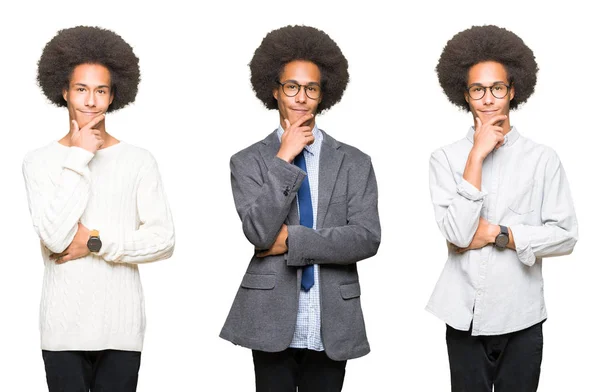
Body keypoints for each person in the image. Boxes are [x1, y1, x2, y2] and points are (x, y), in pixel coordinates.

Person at [220, 25, 380, 392]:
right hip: (269, 316)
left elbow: (366, 238)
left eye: (311, 88)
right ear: (275, 90)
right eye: (292, 86)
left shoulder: (355, 162)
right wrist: (284, 157)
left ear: (323, 95)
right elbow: (259, 234)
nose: (301, 97)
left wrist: (292, 239)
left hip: (332, 318)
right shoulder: (247, 162)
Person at [23, 26, 175, 392]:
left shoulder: (139, 160)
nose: (91, 101)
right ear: (64, 91)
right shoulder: (39, 161)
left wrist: (95, 242)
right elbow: (56, 239)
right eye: (81, 89)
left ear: (112, 96)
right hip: (62, 330)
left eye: (100, 90)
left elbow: (163, 240)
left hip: (121, 330)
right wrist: (78, 156)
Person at [427, 25, 578, 391]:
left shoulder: (542, 159)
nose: (489, 99)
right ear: (465, 94)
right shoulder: (445, 159)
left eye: (497, 88)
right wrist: (476, 156)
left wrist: (499, 234)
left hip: (522, 316)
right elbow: (459, 235)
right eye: (478, 89)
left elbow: (566, 236)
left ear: (513, 90)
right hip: (463, 316)